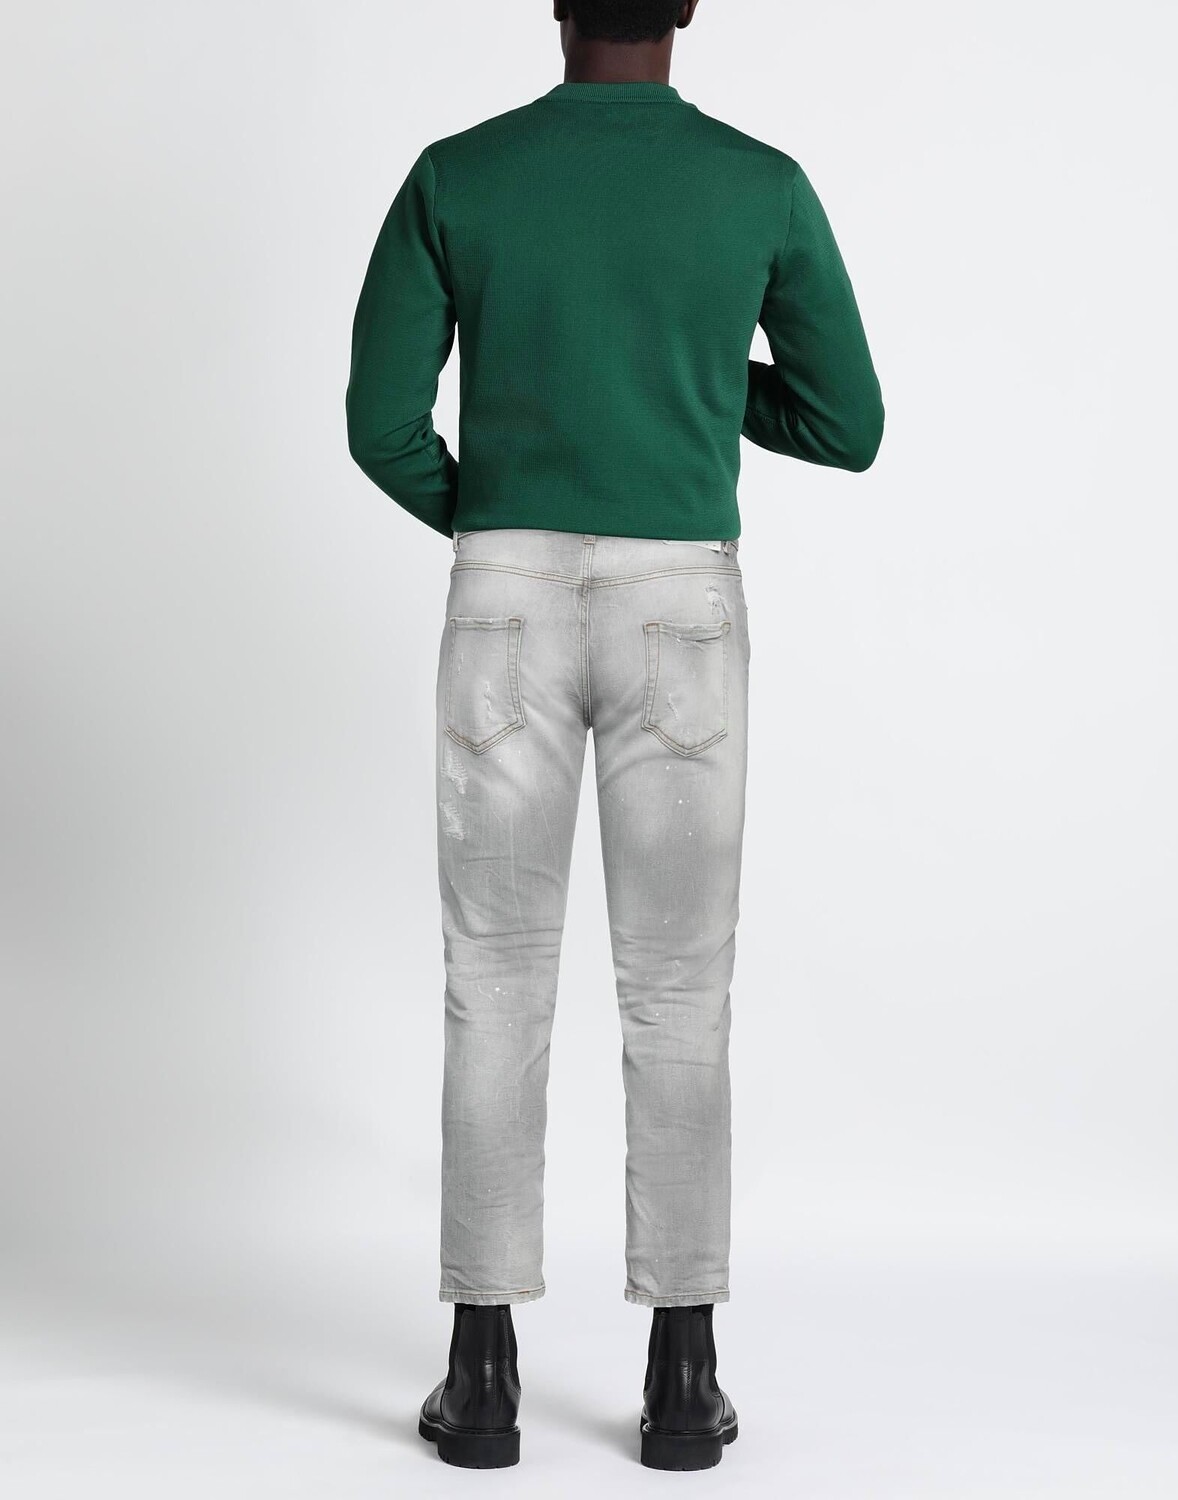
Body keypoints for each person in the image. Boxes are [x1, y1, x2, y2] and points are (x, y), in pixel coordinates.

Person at [345, 0, 883, 1472]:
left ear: (556, 5)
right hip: (679, 608)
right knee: (680, 992)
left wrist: (502, 513)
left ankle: (482, 1375)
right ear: (687, 7)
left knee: (493, 982)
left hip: (503, 595)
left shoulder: (459, 174)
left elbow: (381, 424)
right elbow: (847, 422)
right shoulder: (758, 183)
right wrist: (691, 380)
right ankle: (682, 1376)